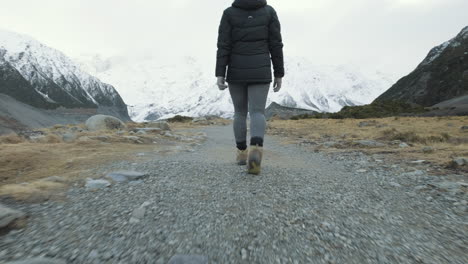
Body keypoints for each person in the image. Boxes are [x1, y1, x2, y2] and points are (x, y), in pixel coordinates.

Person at [216, 0, 284, 175]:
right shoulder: (269, 12)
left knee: (239, 112)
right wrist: (279, 73)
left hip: (236, 70)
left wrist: (220, 73)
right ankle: (256, 150)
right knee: (257, 112)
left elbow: (223, 45)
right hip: (261, 70)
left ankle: (241, 153)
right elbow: (276, 44)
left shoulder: (229, 13)